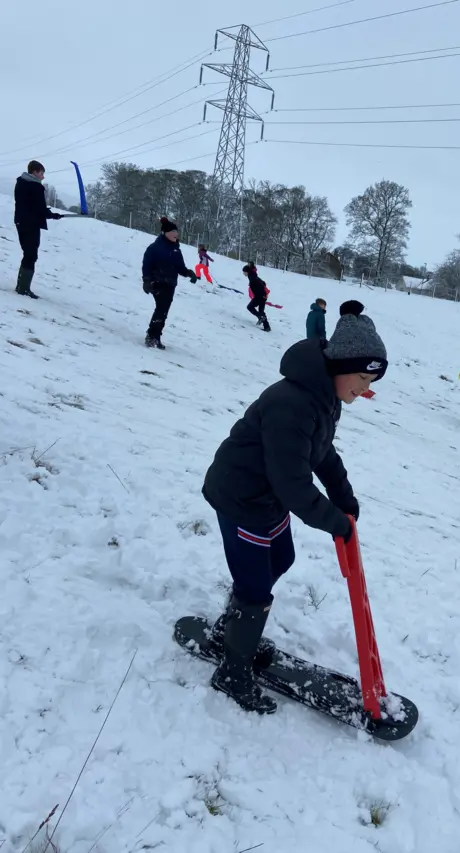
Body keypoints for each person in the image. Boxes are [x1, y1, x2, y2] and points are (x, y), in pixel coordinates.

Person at [201, 299, 388, 714]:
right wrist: (334, 522)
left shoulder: (324, 399)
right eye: (361, 377)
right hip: (243, 497)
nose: (365, 387)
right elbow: (292, 481)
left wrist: (344, 496)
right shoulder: (292, 402)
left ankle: (229, 630)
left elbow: (320, 452)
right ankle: (231, 671)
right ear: (340, 367)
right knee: (255, 587)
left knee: (279, 558)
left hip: (267, 497)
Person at [141, 217, 197, 349]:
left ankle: (156, 336)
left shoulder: (176, 250)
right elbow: (146, 265)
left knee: (164, 311)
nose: (176, 234)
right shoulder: (155, 248)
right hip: (158, 282)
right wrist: (147, 281)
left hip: (170, 284)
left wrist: (189, 273)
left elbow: (180, 268)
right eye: (173, 231)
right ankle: (151, 336)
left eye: (176, 232)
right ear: (165, 233)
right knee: (161, 309)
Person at [14, 160, 63, 299]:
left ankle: (21, 286)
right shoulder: (35, 186)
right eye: (42, 173)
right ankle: (23, 289)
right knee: (31, 255)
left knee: (27, 253)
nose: (43, 177)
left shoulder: (21, 182)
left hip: (20, 221)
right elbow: (39, 208)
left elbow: (29, 204)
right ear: (35, 172)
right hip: (30, 223)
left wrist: (46, 212)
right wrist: (53, 215)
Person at [243, 262, 270, 332]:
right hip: (262, 296)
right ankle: (267, 327)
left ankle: (261, 317)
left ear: (246, 272)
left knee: (250, 307)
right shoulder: (253, 275)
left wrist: (261, 295)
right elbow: (263, 282)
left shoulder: (252, 278)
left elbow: (261, 284)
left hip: (260, 297)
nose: (243, 274)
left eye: (244, 272)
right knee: (261, 311)